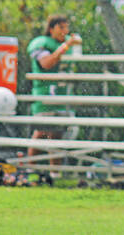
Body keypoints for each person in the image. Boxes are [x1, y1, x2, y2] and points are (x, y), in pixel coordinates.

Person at [26, 15, 82, 169]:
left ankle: (54, 172)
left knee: (57, 135)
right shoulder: (42, 43)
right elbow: (47, 63)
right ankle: (31, 169)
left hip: (61, 95)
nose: (65, 31)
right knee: (41, 132)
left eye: (66, 27)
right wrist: (66, 46)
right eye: (61, 27)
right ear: (51, 29)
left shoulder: (68, 45)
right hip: (45, 96)